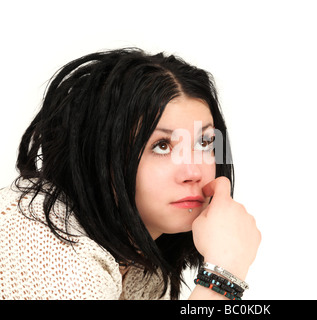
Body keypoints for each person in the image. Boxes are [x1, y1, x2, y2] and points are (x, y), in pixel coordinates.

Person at [0, 48, 261, 300]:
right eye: (161, 146)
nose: (193, 172)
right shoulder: (42, 244)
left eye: (205, 143)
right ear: (100, 155)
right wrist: (222, 277)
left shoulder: (141, 259)